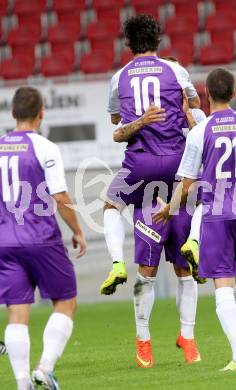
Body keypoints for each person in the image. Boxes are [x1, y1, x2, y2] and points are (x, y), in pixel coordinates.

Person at [154, 68, 236, 371]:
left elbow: (186, 184)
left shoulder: (200, 131)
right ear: (235, 93)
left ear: (207, 95)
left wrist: (169, 208)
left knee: (222, 284)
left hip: (216, 215)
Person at [100, 14, 201, 368]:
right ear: (157, 40)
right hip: (177, 166)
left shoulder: (119, 76)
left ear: (128, 43)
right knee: (183, 268)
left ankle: (143, 341)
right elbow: (194, 106)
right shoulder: (176, 71)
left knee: (113, 209)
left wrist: (140, 120)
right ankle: (188, 339)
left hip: (140, 166)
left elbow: (116, 123)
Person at [0, 87, 87, 389]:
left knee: (16, 312)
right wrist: (77, 230)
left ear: (12, 114)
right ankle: (45, 367)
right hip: (40, 237)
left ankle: (22, 383)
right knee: (65, 302)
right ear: (41, 113)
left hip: (5, 240)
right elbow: (60, 196)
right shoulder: (45, 147)